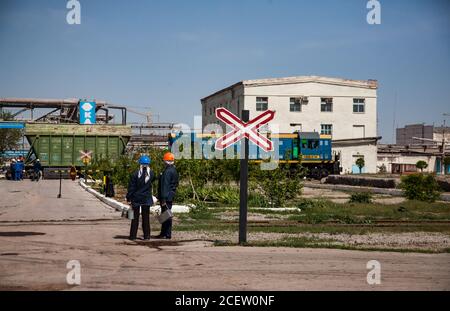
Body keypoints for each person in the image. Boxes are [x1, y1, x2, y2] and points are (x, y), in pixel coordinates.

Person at [126, 155, 155, 241]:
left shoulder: (135, 174)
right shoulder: (151, 174)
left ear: (140, 164)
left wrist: (128, 197)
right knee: (146, 218)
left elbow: (131, 187)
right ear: (148, 164)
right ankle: (147, 236)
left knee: (135, 218)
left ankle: (133, 236)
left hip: (136, 199)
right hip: (146, 199)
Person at [156, 152, 179, 239]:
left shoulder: (167, 172)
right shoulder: (173, 170)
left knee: (166, 215)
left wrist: (163, 198)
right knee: (165, 214)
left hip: (166, 196)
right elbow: (176, 183)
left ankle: (167, 233)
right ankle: (164, 233)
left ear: (166, 161)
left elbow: (165, 186)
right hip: (170, 195)